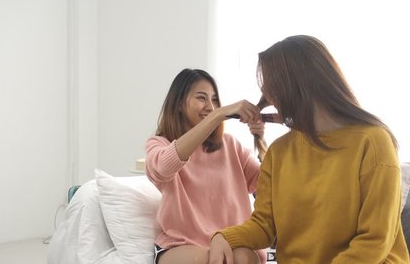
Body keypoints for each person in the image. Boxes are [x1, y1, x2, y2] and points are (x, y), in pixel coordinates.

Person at [208, 35, 410, 263]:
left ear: (297, 85)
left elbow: (374, 241)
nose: (269, 100)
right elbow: (264, 225)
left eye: (272, 91)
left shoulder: (373, 142)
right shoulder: (279, 152)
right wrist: (223, 238)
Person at [145, 68, 268, 264]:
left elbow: (269, 184)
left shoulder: (231, 145)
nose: (210, 106)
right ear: (178, 104)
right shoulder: (160, 144)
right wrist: (217, 115)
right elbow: (162, 169)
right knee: (212, 260)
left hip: (233, 243)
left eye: (215, 100)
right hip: (180, 245)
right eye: (202, 98)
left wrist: (260, 141)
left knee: (243, 258)